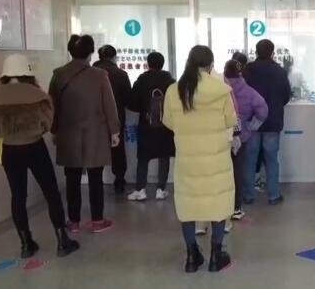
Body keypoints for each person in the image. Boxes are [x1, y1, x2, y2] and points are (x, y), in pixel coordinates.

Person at [0, 54, 80, 259]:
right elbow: (47, 123)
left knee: (18, 196)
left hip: (9, 150)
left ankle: (26, 244)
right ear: (28, 72)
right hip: (35, 147)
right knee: (51, 193)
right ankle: (62, 241)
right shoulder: (37, 95)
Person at [163, 45, 238, 273]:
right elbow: (230, 120)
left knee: (188, 207)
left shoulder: (174, 91)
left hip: (187, 158)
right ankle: (216, 256)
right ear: (211, 65)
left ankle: (191, 256)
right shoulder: (221, 90)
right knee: (218, 205)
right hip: (216, 159)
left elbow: (168, 121)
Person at [50, 35, 121, 234]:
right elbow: (109, 105)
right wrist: (114, 131)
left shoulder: (59, 75)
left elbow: (53, 106)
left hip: (68, 133)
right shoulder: (100, 75)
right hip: (95, 133)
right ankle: (97, 220)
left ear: (70, 51)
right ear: (91, 53)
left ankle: (73, 221)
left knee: (72, 178)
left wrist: (54, 130)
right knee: (95, 178)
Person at [242, 39, 291, 205]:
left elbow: (241, 95)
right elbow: (286, 96)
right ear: (272, 53)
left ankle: (248, 195)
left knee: (250, 159)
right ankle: (273, 195)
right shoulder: (280, 71)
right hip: (272, 121)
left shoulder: (247, 70)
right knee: (271, 159)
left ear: (256, 52)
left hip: (252, 121)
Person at [127, 52, 176, 201]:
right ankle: (160, 189)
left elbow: (132, 104)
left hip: (146, 125)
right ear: (163, 63)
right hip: (166, 125)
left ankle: (140, 189)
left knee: (143, 158)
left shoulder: (142, 80)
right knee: (164, 157)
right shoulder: (170, 81)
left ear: (148, 64)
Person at [224, 59, 269, 221]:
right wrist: (251, 126)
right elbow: (263, 110)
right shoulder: (248, 91)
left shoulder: (219, 89)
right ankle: (237, 207)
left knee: (221, 173)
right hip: (240, 137)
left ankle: (222, 207)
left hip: (220, 137)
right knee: (238, 172)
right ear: (240, 73)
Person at [93, 45, 132, 194]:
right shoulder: (121, 74)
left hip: (94, 119)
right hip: (116, 118)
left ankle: (96, 182)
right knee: (118, 150)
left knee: (96, 149)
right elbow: (128, 98)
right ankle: (119, 181)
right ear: (114, 57)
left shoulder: (90, 73)